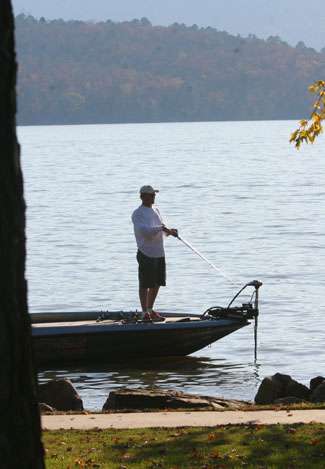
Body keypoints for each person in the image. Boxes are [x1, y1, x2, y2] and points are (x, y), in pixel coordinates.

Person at [131, 185, 178, 321]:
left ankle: (150, 310)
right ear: (142, 196)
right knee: (145, 284)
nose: (153, 197)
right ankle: (144, 312)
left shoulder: (156, 210)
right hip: (146, 252)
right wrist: (162, 228)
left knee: (157, 283)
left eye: (154, 195)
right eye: (150, 195)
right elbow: (145, 232)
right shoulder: (137, 213)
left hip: (159, 252)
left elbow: (160, 231)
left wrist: (170, 231)